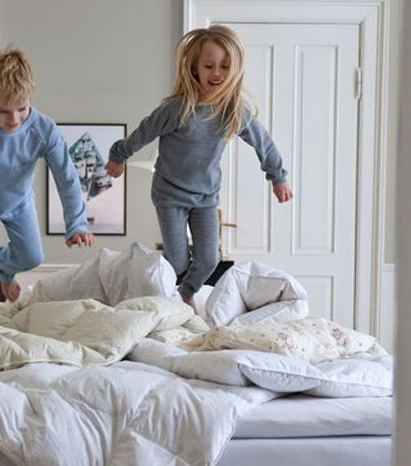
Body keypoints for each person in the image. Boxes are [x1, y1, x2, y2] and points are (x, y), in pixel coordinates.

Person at [105, 25, 293, 309]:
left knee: (209, 259)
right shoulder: (178, 108)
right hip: (170, 195)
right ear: (195, 68)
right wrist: (119, 156)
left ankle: (184, 294)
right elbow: (144, 132)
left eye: (224, 66)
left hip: (205, 197)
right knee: (178, 259)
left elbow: (262, 142)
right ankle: (158, 285)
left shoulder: (233, 111)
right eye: (209, 66)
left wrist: (277, 178)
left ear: (234, 70)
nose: (216, 73)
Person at [0, 49, 94, 324]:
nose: (14, 120)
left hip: (17, 202)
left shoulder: (43, 129)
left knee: (33, 256)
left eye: (22, 109)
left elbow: (66, 177)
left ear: (30, 98)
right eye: (3, 111)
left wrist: (77, 224)